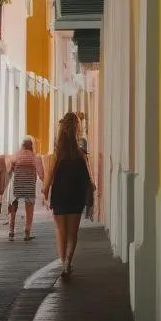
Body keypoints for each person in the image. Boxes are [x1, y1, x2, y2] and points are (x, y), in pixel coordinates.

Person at [42, 112, 94, 279]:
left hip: (59, 196)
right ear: (76, 132)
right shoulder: (80, 154)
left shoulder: (55, 156)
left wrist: (45, 192)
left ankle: (63, 262)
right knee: (72, 233)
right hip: (76, 196)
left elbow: (48, 179)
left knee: (61, 232)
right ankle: (67, 263)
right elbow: (89, 180)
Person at [6, 136, 44, 241]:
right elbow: (41, 175)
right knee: (29, 207)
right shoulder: (35, 157)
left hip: (16, 184)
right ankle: (27, 232)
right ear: (32, 146)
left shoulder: (15, 156)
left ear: (22, 146)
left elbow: (8, 171)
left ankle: (11, 231)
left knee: (13, 205)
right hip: (29, 185)